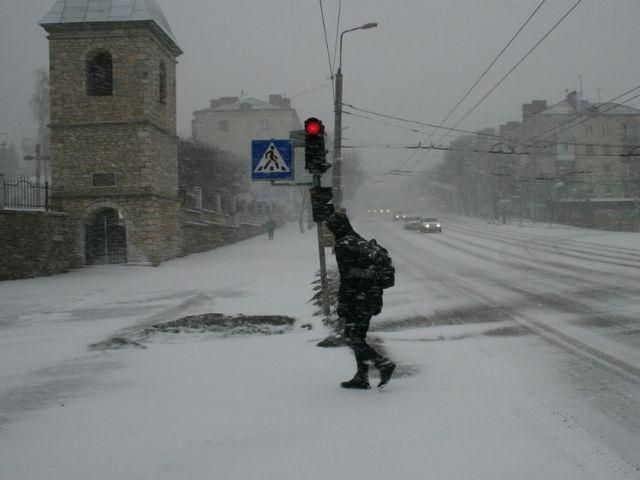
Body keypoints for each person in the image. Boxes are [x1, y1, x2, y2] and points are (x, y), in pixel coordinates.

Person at [325, 211, 396, 389]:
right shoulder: (357, 239)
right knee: (358, 337)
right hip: (371, 295)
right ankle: (362, 377)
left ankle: (383, 365)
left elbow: (347, 277)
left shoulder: (344, 244)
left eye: (332, 228)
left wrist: (342, 301)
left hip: (359, 298)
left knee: (351, 338)